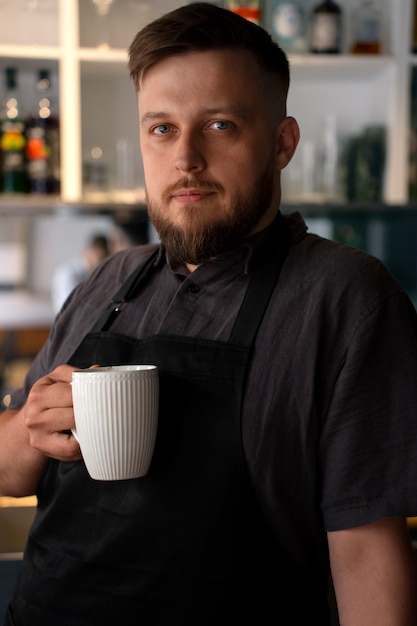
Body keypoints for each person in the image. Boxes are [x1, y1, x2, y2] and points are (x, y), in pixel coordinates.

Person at [1, 3, 417, 624]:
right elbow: (10, 472)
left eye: (219, 125)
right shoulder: (108, 280)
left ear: (283, 143)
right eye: (162, 128)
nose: (186, 159)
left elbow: (365, 553)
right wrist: (30, 424)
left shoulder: (345, 296)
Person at [50, 232, 110, 314]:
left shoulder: (93, 274)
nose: (102, 262)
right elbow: (71, 308)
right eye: (101, 257)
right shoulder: (68, 274)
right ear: (89, 251)